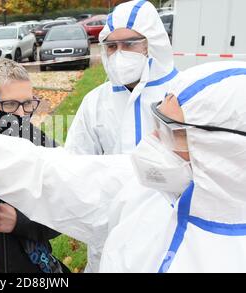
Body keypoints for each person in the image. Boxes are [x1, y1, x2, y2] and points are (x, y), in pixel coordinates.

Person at [0, 60, 246, 272]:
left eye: (173, 132)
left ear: (225, 148)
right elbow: (47, 174)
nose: (153, 139)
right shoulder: (145, 192)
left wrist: (20, 222)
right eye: (158, 121)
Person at [64, 0, 179, 272]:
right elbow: (74, 164)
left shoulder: (180, 94)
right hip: (110, 230)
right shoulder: (96, 102)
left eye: (130, 44)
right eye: (112, 46)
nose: (119, 54)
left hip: (168, 231)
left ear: (152, 43)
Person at [0, 58, 68, 273]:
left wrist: (21, 222)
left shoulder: (45, 147)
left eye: (27, 104)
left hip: (31, 266)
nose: (21, 114)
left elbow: (66, 211)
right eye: (10, 105)